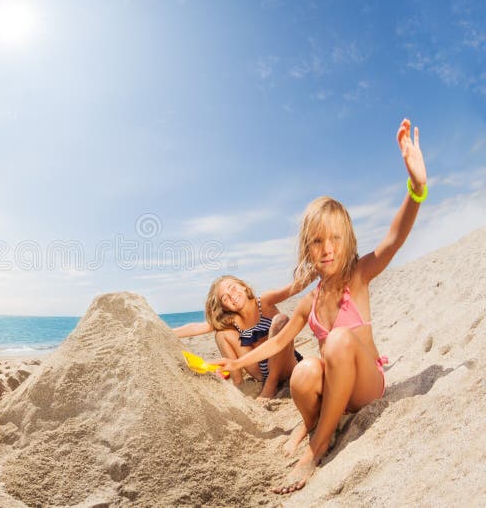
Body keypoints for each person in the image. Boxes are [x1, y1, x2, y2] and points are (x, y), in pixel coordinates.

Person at [211, 118, 427, 494]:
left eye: (335, 239)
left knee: (340, 340)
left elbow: (393, 239)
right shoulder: (309, 300)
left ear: (347, 242)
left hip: (365, 387)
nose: (327, 249)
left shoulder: (358, 275)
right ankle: (315, 422)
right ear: (307, 248)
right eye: (316, 241)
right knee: (304, 371)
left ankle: (318, 444)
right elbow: (277, 344)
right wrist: (237, 363)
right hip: (334, 387)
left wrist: (416, 189)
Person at [173, 276, 303, 399]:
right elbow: (196, 327)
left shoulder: (264, 302)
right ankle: (239, 383)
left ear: (244, 287)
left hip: (286, 364)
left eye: (233, 288)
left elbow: (293, 288)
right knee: (221, 333)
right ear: (224, 307)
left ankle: (271, 384)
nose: (232, 296)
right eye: (225, 298)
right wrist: (164, 331)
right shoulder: (233, 320)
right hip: (261, 372)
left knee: (281, 320)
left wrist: (315, 272)